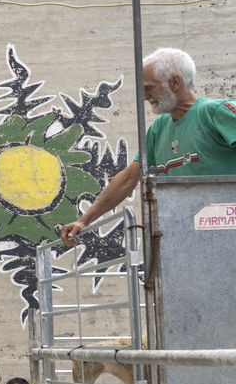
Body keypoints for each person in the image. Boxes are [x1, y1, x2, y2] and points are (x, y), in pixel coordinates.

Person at [61, 48, 236, 247]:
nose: (144, 97)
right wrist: (84, 221)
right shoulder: (159, 128)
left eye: (149, 88)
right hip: (187, 238)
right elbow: (128, 179)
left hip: (225, 234)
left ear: (175, 82)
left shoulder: (215, 113)